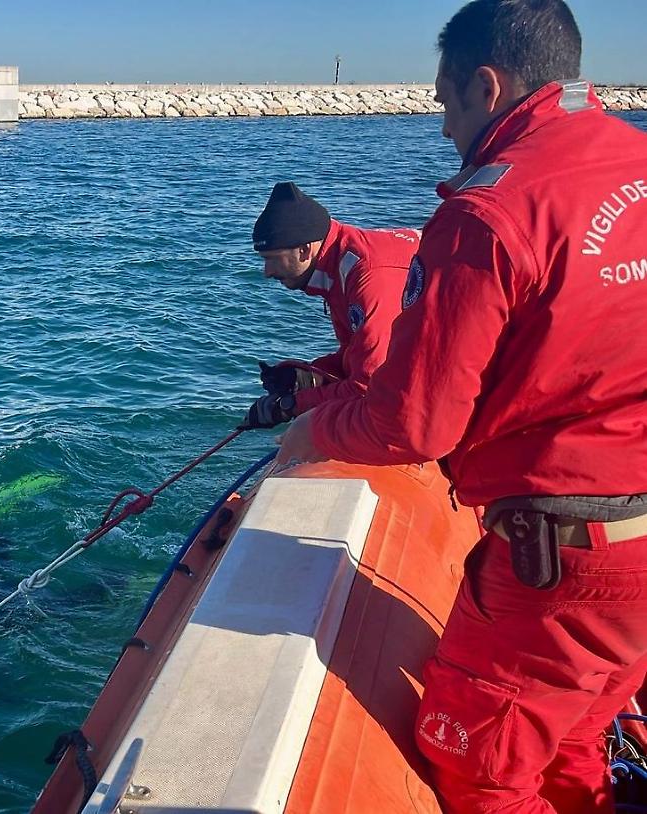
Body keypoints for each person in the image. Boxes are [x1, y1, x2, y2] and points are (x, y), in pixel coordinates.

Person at [272, 1, 647, 810]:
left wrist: (312, 427)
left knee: (479, 770)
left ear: (486, 85)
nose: (444, 127)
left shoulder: (486, 214)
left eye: (445, 102)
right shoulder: (635, 159)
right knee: (577, 738)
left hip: (566, 562)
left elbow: (414, 423)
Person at [241, 182, 419, 431]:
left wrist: (290, 405)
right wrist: (312, 375)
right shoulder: (340, 265)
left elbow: (369, 386)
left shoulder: (369, 275)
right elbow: (359, 357)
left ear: (304, 250)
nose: (267, 272)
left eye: (272, 259)